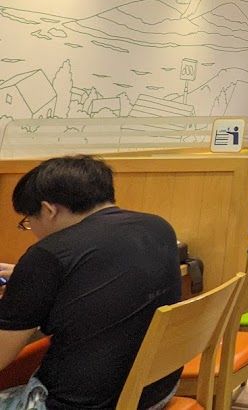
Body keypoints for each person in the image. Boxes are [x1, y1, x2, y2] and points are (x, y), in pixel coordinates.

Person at [0, 156, 181, 409]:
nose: (32, 230)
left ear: (49, 210)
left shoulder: (48, 254)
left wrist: (32, 277)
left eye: (29, 221)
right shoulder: (158, 227)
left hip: (85, 404)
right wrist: (29, 276)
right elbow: (98, 273)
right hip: (156, 391)